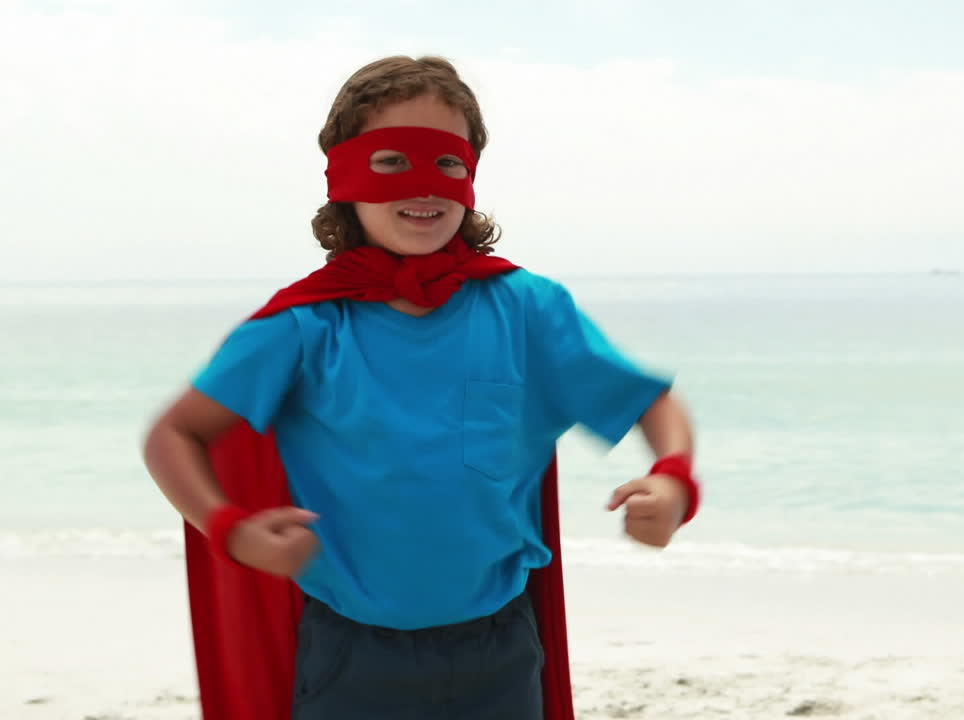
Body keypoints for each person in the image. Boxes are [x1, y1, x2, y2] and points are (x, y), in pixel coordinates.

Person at [141, 54, 700, 720]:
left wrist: (672, 479)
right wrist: (229, 528)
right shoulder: (304, 326)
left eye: (447, 162)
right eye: (391, 161)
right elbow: (174, 434)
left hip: (498, 650)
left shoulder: (527, 308)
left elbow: (650, 402)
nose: (424, 184)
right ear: (343, 177)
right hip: (351, 657)